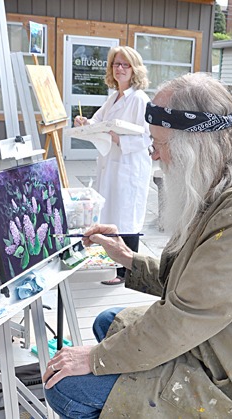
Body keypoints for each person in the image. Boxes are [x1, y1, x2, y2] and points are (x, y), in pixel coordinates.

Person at [44, 72, 232, 418]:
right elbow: (201, 287)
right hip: (224, 339)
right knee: (107, 321)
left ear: (194, 146)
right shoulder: (227, 173)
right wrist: (128, 258)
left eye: (158, 144)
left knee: (65, 389)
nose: (154, 157)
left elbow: (186, 316)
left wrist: (94, 358)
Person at [74, 46, 152, 285]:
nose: (119, 68)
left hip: (130, 167)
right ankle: (115, 264)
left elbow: (148, 137)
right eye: (116, 64)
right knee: (114, 213)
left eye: (125, 65)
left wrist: (119, 138)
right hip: (113, 165)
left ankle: (126, 272)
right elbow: (97, 122)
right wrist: (83, 121)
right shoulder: (114, 98)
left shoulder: (139, 100)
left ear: (134, 69)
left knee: (127, 217)